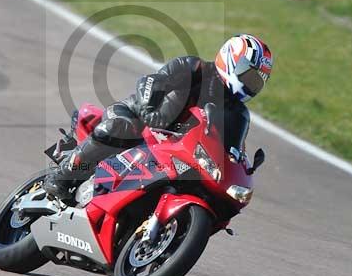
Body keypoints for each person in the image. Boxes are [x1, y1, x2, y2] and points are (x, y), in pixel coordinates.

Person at [43, 34, 274, 200]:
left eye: (258, 81)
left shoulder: (239, 113)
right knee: (122, 127)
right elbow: (151, 82)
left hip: (172, 151)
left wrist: (241, 168)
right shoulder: (195, 68)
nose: (251, 84)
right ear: (232, 60)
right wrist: (148, 111)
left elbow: (233, 150)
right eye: (250, 75)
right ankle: (62, 176)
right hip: (138, 119)